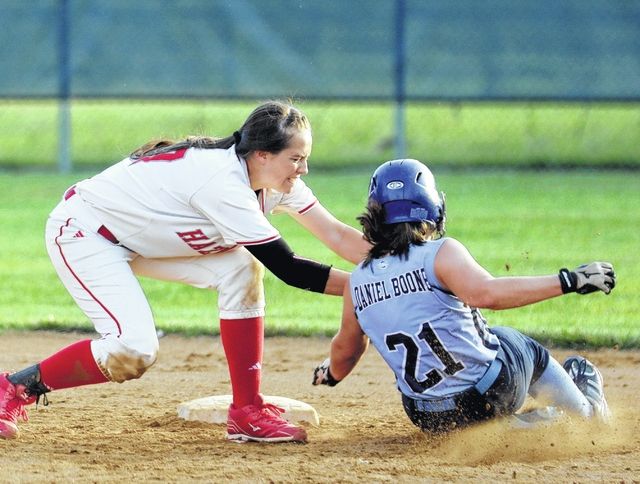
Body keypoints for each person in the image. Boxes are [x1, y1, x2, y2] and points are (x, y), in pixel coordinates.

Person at [0, 100, 369, 443]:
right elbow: (288, 268)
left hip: (142, 238)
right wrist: (366, 286)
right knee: (134, 349)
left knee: (241, 268)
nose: (303, 169)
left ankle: (247, 411)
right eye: (296, 158)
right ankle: (15, 387)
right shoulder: (223, 183)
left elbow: (336, 234)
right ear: (262, 154)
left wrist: (402, 263)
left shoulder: (274, 181)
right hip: (87, 233)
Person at [312, 158, 616, 434]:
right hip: (487, 396)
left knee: (481, 340)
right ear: (431, 209)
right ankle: (586, 413)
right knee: (513, 341)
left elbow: (346, 351)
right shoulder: (439, 253)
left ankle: (503, 429)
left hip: (427, 417)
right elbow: (487, 295)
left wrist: (331, 375)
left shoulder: (357, 281)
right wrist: (568, 280)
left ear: (374, 216)